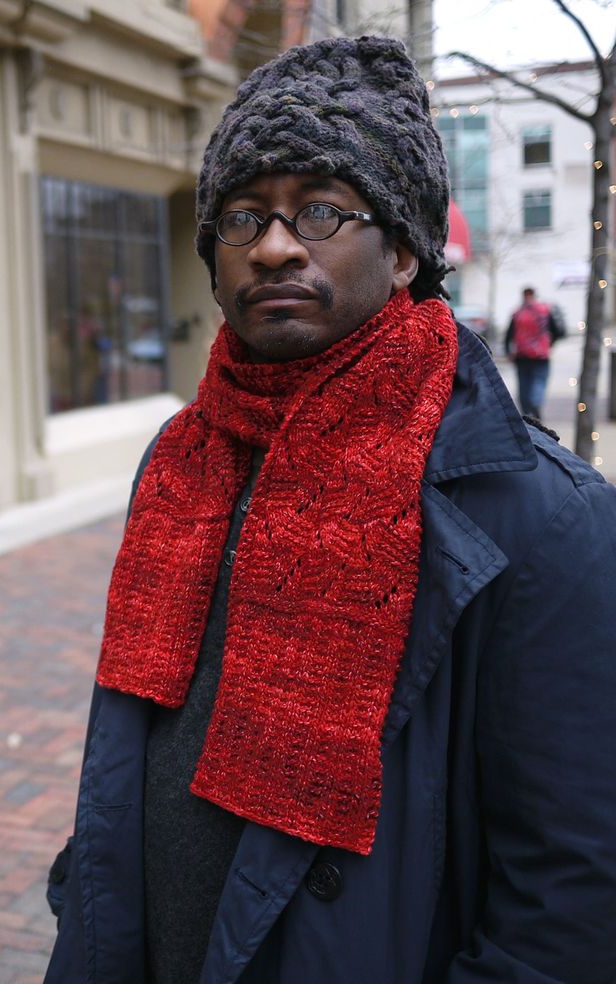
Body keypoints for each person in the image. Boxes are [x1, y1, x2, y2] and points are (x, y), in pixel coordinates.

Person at [44, 36, 616, 984]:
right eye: (241, 217)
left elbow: (570, 903)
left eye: (318, 209)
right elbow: (129, 760)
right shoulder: (181, 461)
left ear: (401, 252)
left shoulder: (545, 521)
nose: (272, 245)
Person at [505, 286, 563, 419]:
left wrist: (508, 350)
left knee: (523, 384)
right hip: (541, 355)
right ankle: (536, 403)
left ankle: (526, 412)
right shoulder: (544, 310)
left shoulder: (518, 312)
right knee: (539, 381)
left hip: (522, 355)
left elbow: (509, 334)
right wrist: (550, 344)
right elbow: (557, 331)